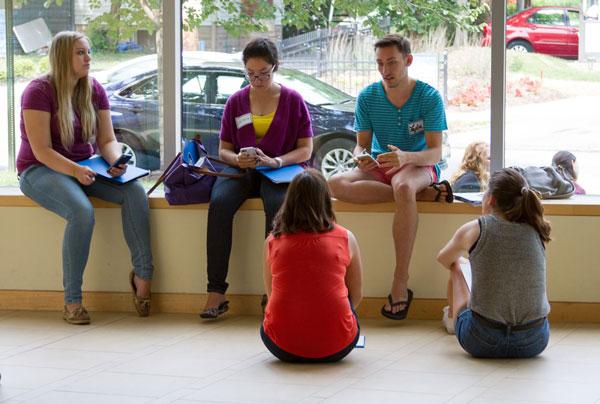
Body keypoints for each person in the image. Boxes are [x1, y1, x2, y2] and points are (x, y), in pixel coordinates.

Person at [17, 31, 153, 325]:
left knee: (135, 192)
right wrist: (76, 171)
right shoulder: (38, 91)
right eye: (81, 53)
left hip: (86, 167)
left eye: (88, 51)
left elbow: (106, 139)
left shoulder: (94, 89)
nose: (88, 58)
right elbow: (41, 150)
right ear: (64, 57)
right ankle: (72, 302)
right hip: (39, 170)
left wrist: (115, 160)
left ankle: (143, 278)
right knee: (81, 211)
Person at [328, 34, 452, 320]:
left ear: (407, 61)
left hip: (419, 165)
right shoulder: (368, 97)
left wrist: (407, 157)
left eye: (392, 62)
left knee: (404, 185)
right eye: (380, 63)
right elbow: (361, 143)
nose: (386, 70)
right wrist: (361, 155)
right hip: (382, 165)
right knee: (334, 183)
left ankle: (400, 283)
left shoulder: (429, 96)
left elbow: (435, 153)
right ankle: (422, 195)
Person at [201, 38, 314, 319]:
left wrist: (276, 160)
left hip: (279, 169)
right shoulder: (236, 101)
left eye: (263, 72)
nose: (258, 79)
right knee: (219, 203)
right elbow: (223, 150)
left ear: (275, 67)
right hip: (242, 170)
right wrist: (237, 158)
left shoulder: (292, 100)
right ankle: (216, 290)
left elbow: (306, 149)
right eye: (251, 74)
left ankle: (273, 291)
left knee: (277, 210)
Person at [437, 168, 551, 358]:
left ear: (491, 199)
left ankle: (452, 320)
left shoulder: (477, 227)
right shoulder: (535, 229)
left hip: (482, 340)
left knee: (456, 263)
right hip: (534, 341)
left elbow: (443, 258)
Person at [261, 169, 363, 362]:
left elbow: (271, 294)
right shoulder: (346, 238)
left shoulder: (272, 241)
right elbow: (356, 296)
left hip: (282, 347)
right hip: (338, 346)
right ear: (326, 200)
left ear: (289, 201)